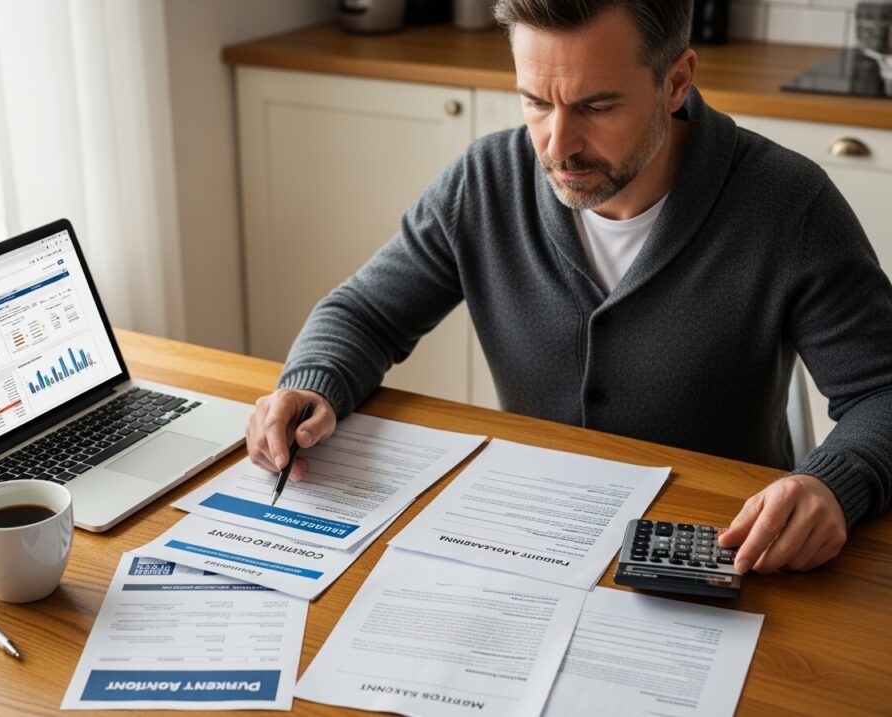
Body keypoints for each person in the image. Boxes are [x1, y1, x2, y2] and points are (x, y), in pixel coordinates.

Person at [245, 0, 892, 574]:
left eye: (596, 106)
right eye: (535, 101)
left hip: (721, 556)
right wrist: (313, 380)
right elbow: (363, 314)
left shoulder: (790, 205)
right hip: (533, 550)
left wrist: (837, 482)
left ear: (676, 81)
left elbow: (880, 390)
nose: (558, 144)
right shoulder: (484, 182)